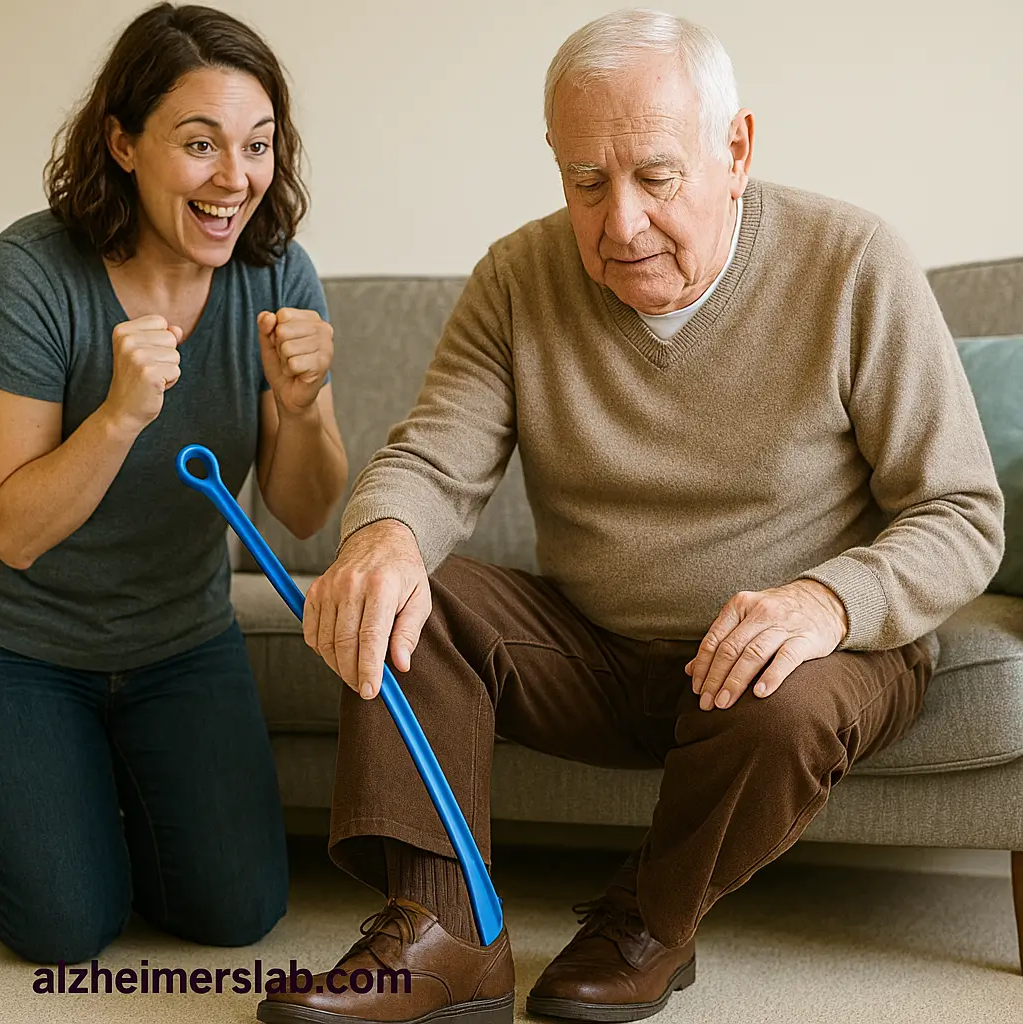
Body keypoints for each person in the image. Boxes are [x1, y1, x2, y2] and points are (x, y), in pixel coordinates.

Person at [261, 9, 1003, 1024]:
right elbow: (434, 455)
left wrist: (827, 602)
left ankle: (646, 921)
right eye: (584, 182)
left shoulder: (852, 261)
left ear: (734, 150)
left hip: (811, 656)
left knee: (782, 696)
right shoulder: (518, 278)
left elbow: (959, 510)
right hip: (600, 649)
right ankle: (444, 933)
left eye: (655, 177)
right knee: (403, 596)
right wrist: (382, 534)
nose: (618, 224)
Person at [0, 3, 347, 965]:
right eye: (200, 144)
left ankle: (89, 796)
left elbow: (308, 510)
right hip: (25, 650)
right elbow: (13, 532)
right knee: (67, 928)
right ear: (122, 142)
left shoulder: (279, 276)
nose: (235, 179)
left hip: (182, 645)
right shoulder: (33, 275)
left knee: (236, 913)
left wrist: (306, 404)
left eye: (259, 146)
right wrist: (116, 417)